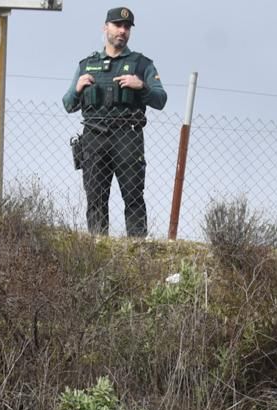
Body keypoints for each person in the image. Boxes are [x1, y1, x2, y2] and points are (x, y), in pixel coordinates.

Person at [63, 7, 167, 237]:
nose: (122, 31)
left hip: (127, 136)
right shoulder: (86, 64)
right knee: (95, 197)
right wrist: (78, 88)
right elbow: (68, 104)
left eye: (126, 27)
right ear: (105, 27)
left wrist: (141, 86)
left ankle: (137, 247)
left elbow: (161, 99)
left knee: (133, 195)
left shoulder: (141, 65)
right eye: (117, 25)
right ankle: (97, 246)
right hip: (93, 137)